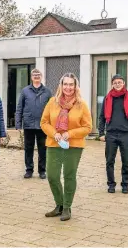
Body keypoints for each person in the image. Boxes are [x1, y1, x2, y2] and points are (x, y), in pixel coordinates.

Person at [40, 73, 92, 221]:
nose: (68, 87)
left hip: (73, 145)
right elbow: (44, 122)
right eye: (65, 84)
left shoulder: (82, 105)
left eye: (71, 84)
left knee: (69, 175)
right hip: (54, 143)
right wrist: (54, 133)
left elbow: (88, 127)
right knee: (52, 175)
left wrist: (70, 133)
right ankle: (59, 204)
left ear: (75, 87)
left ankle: (67, 207)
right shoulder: (52, 102)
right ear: (61, 86)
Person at [98, 74, 128, 194]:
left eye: (120, 82)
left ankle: (125, 185)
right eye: (115, 82)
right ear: (112, 84)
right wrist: (101, 133)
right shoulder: (107, 98)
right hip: (110, 134)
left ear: (124, 83)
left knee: (126, 161)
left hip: (126, 134)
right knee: (109, 161)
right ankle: (111, 184)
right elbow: (101, 117)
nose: (117, 84)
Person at [15, 68, 52, 179]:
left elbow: (52, 109)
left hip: (43, 125)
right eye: (34, 75)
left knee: (43, 149)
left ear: (41, 77)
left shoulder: (47, 91)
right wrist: (18, 123)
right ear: (31, 77)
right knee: (28, 148)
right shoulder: (25, 91)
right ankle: (29, 170)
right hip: (28, 124)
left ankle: (42, 171)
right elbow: (19, 107)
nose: (36, 77)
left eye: (38, 75)